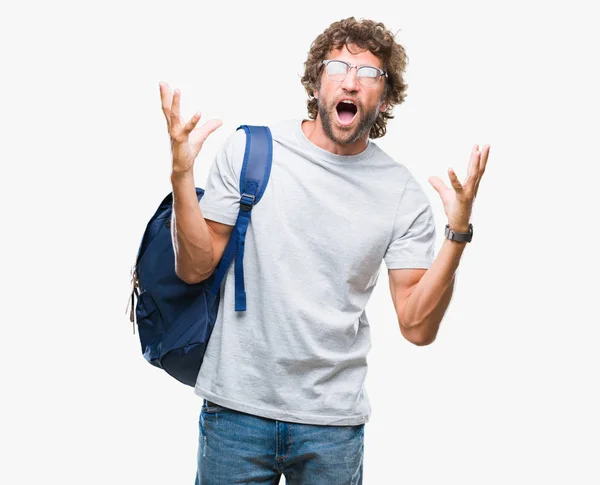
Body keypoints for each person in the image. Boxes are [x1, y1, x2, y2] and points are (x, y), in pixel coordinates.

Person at [159, 16, 490, 485]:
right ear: (317, 83)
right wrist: (181, 179)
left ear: (387, 96)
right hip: (236, 410)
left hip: (333, 427)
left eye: (369, 74)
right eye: (337, 67)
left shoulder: (400, 193)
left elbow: (417, 326)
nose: (351, 82)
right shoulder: (251, 149)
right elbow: (194, 269)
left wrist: (457, 234)